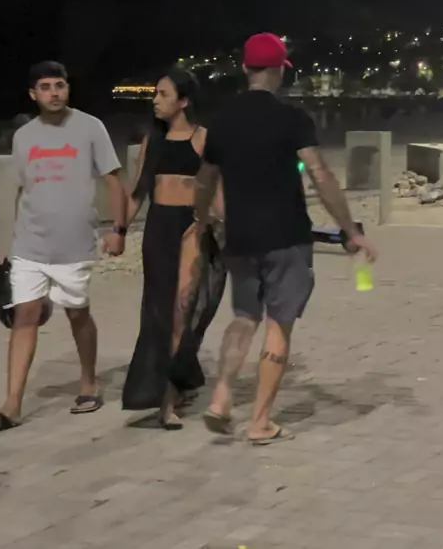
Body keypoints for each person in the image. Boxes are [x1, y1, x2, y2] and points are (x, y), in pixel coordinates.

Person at [195, 33, 377, 445]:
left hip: (240, 237)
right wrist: (350, 230)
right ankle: (260, 422)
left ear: (245, 68)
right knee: (278, 324)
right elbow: (320, 174)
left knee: (244, 316)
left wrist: (201, 218)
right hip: (286, 236)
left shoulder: (221, 120)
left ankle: (221, 397)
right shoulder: (293, 118)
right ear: (279, 70)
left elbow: (204, 180)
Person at [0, 61, 126, 432]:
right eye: (45, 87)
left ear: (67, 88)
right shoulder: (23, 136)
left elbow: (113, 180)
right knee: (24, 315)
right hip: (30, 243)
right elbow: (23, 190)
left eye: (59, 85)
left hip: (74, 243)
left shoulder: (90, 127)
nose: (54, 93)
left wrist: (118, 229)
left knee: (77, 313)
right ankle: (11, 405)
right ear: (33, 94)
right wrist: (11, 242)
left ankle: (89, 382)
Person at [122, 68, 226, 429]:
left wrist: (223, 228)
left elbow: (218, 193)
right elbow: (137, 192)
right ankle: (174, 382)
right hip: (158, 228)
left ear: (183, 101)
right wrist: (119, 230)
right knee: (157, 311)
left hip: (192, 227)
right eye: (155, 93)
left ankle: (168, 398)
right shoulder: (152, 141)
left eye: (163, 94)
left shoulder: (203, 139)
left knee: (182, 309)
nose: (155, 100)